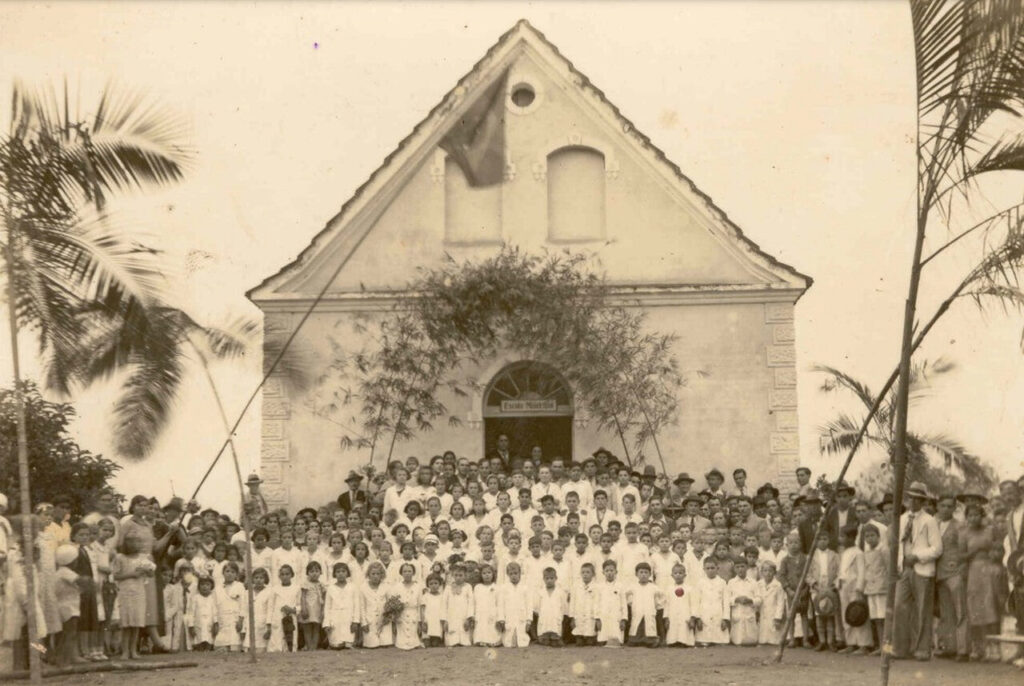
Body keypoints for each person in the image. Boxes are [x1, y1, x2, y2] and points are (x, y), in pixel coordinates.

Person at [892, 481, 943, 661]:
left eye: (918, 499)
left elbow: (937, 548)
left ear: (923, 502)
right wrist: (901, 563)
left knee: (922, 610)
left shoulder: (929, 521)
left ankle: (922, 649)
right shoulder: (902, 519)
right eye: (911, 498)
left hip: (922, 569)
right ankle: (900, 648)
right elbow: (897, 545)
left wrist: (918, 556)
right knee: (900, 606)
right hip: (905, 569)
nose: (914, 502)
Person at [934, 494, 969, 660]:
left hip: (955, 572)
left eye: (949, 506)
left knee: (960, 611)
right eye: (943, 505)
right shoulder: (935, 524)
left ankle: (963, 650)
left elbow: (964, 549)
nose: (946, 509)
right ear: (938, 507)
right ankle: (949, 647)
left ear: (954, 508)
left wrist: (961, 568)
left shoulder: (960, 526)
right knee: (946, 612)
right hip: (940, 573)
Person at [836, 525, 871, 654]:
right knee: (847, 614)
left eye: (843, 536)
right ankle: (850, 642)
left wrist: (859, 588)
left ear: (851, 538)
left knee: (858, 613)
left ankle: (863, 644)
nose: (840, 539)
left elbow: (862, 572)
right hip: (844, 586)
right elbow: (842, 571)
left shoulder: (858, 553)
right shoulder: (844, 552)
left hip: (854, 586)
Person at [323, 561, 358, 649]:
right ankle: (333, 643)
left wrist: (355, 621)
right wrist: (327, 623)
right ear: (334, 574)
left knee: (348, 644)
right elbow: (327, 607)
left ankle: (348, 643)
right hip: (335, 618)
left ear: (347, 573)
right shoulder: (331, 588)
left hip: (348, 618)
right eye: (338, 572)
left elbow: (356, 605)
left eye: (343, 571)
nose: (341, 574)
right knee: (336, 644)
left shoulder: (352, 587)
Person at [694, 557, 729, 646]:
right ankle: (705, 639)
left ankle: (718, 640)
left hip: (718, 612)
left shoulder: (722, 582)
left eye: (712, 568)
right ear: (704, 569)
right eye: (708, 568)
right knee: (703, 640)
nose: (710, 570)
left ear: (717, 568)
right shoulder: (700, 583)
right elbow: (696, 601)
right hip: (704, 612)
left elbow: (726, 601)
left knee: (720, 641)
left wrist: (725, 618)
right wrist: (698, 618)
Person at [726, 558, 759, 645]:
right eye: (737, 567)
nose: (740, 569)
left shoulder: (753, 582)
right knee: (737, 639)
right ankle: (736, 641)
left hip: (749, 613)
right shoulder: (731, 582)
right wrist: (736, 599)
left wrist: (750, 600)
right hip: (737, 613)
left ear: (747, 567)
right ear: (734, 569)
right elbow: (727, 599)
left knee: (751, 640)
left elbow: (759, 598)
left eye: (742, 566)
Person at [393, 563, 422, 650]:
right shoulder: (397, 587)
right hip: (401, 613)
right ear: (401, 573)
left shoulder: (418, 586)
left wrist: (420, 620)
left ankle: (415, 642)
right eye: (405, 571)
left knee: (413, 630)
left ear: (413, 573)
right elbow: (394, 603)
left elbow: (420, 605)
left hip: (413, 612)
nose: (407, 573)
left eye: (409, 571)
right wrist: (395, 617)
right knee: (402, 637)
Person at [757, 561, 785, 646]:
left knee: (774, 633)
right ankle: (763, 641)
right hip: (762, 612)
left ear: (774, 572)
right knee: (763, 629)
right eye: (765, 571)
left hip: (773, 611)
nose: (768, 573)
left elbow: (780, 602)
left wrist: (778, 617)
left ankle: (774, 641)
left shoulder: (778, 585)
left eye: (770, 571)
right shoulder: (759, 584)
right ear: (761, 572)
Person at [299, 561, 325, 650]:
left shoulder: (321, 585)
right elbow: (302, 597)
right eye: (312, 571)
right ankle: (309, 647)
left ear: (320, 572)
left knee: (316, 628)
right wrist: (304, 609)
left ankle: (314, 648)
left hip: (317, 608)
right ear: (307, 573)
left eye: (317, 571)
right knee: (307, 628)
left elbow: (323, 599)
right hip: (308, 608)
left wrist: (322, 610)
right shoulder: (305, 584)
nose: (314, 574)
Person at [186, 577, 217, 651]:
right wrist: (191, 626)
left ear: (211, 587)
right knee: (199, 639)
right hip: (198, 623)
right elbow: (191, 613)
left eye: (207, 584)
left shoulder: (212, 598)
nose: (205, 586)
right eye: (202, 584)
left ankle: (208, 649)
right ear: (199, 586)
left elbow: (215, 612)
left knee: (209, 638)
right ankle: (200, 649)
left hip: (209, 624)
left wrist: (216, 623)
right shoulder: (195, 598)